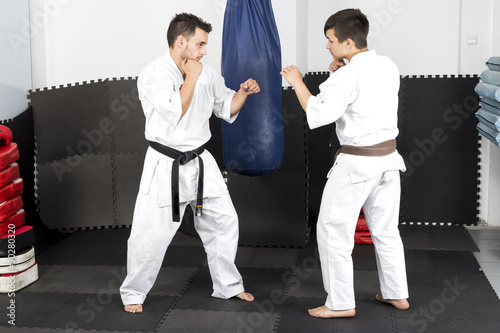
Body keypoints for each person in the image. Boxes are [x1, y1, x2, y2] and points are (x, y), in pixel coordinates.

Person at [119, 12, 259, 313]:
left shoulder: (206, 73)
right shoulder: (154, 74)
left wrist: (243, 94)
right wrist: (192, 76)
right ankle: (133, 292)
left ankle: (228, 286)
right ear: (180, 41)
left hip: (200, 162)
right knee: (150, 234)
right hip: (164, 164)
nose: (204, 52)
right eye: (200, 44)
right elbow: (175, 111)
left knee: (223, 223)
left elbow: (226, 106)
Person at [280, 8, 409, 318]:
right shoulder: (387, 65)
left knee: (331, 231)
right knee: (387, 231)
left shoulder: (350, 74)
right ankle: (397, 294)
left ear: (348, 42)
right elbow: (363, 100)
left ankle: (340, 303)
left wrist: (297, 81)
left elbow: (319, 113)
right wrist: (339, 73)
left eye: (330, 40)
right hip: (389, 162)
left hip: (357, 164)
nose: (328, 46)